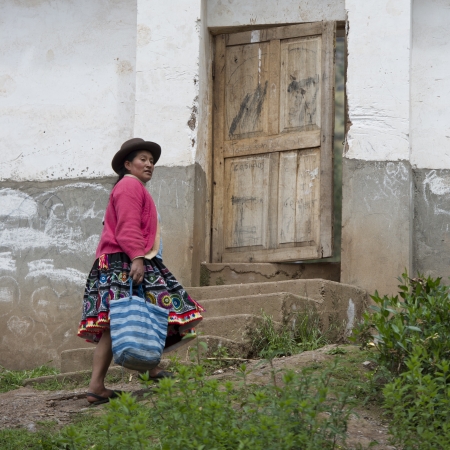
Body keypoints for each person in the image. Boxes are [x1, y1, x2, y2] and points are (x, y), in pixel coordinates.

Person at [77, 138, 204, 405]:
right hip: (125, 262)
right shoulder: (129, 185)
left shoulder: (130, 187)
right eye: (143, 159)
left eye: (152, 160)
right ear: (127, 164)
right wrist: (136, 257)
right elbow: (127, 227)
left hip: (124, 261)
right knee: (139, 314)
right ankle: (104, 384)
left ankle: (116, 380)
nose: (150, 164)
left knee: (126, 319)